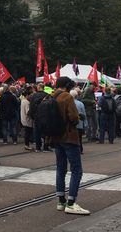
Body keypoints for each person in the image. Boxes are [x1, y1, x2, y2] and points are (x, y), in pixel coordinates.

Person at [52, 77, 90, 215]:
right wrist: (78, 117)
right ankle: (71, 202)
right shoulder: (67, 97)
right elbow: (73, 117)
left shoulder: (52, 96)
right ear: (67, 86)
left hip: (56, 137)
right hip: (69, 136)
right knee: (76, 170)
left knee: (60, 169)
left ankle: (61, 201)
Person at [71, 88, 87, 154]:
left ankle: (73, 149)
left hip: (72, 124)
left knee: (72, 138)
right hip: (79, 123)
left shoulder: (69, 103)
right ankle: (80, 149)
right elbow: (84, 114)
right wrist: (85, 124)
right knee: (79, 138)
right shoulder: (80, 104)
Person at [20, 85, 34, 151]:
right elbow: (28, 112)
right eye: (30, 95)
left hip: (23, 119)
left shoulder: (22, 101)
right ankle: (27, 145)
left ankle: (27, 144)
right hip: (27, 120)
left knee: (27, 132)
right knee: (27, 133)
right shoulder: (27, 102)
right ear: (27, 95)